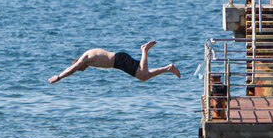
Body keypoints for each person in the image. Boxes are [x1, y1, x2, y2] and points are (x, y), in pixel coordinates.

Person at [48, 41, 180, 83]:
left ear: (79, 64)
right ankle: (168, 68)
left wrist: (59, 77)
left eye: (81, 68)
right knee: (143, 76)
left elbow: (71, 69)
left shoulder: (85, 58)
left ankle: (144, 50)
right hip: (119, 61)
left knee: (143, 74)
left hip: (119, 60)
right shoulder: (87, 56)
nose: (82, 69)